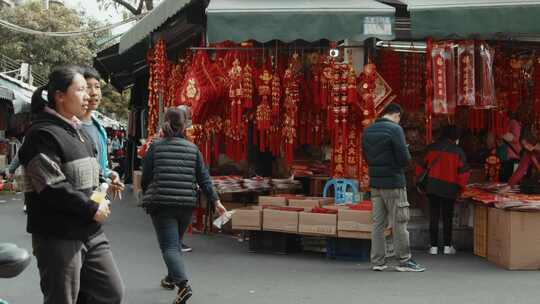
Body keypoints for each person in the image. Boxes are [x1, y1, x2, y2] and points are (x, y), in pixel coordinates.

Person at [18, 65, 124, 304]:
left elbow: (89, 173)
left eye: (90, 89)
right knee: (62, 299)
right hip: (58, 234)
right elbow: (52, 185)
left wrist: (106, 179)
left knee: (110, 292)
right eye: (81, 89)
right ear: (60, 96)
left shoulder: (80, 132)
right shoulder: (41, 134)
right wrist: (90, 207)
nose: (88, 96)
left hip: (90, 231)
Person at [141, 107, 227, 304]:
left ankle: (183, 285)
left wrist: (147, 193)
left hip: (161, 204)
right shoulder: (193, 149)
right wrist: (216, 201)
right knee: (175, 244)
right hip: (186, 205)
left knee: (169, 247)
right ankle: (171, 278)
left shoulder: (156, 147)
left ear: (165, 123)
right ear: (184, 126)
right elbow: (204, 179)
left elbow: (146, 176)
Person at [362, 103, 425, 272]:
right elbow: (404, 159)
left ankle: (378, 261)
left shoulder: (368, 130)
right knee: (400, 222)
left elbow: (366, 157)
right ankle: (404, 260)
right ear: (396, 115)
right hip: (394, 183)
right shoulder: (395, 130)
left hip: (376, 184)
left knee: (378, 224)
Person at [417, 126, 470, 255]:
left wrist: (420, 184)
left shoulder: (431, 148)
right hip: (450, 188)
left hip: (432, 186)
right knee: (448, 217)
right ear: (455, 137)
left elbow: (419, 166)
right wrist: (461, 189)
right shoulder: (458, 151)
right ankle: (447, 246)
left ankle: (433, 247)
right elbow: (464, 173)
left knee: (433, 216)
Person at [79, 66, 124, 198]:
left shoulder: (100, 129)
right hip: (78, 203)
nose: (94, 93)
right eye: (88, 87)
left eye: (97, 86)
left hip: (97, 199)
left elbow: (100, 167)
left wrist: (110, 174)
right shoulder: (70, 128)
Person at [499, 113, 522, 182]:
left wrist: (502, 134)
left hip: (511, 158)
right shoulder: (505, 122)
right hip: (504, 158)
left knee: (509, 179)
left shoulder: (513, 122)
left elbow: (516, 138)